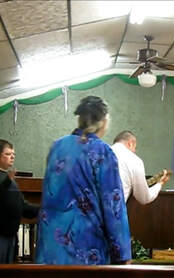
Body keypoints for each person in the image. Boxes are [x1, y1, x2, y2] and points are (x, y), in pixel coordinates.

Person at [36, 96, 131, 265]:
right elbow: (113, 205)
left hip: (50, 244)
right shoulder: (102, 151)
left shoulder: (57, 147)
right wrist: (123, 254)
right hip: (84, 244)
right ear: (103, 121)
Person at [0, 139, 39, 263]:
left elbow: (21, 205)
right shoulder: (7, 179)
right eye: (7, 154)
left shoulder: (9, 179)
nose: (12, 157)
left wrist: (42, 209)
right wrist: (6, 182)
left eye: (13, 154)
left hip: (10, 236)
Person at [112, 130, 170, 204]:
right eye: (135, 148)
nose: (134, 151)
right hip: (114, 212)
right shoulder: (134, 160)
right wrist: (160, 183)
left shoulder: (100, 154)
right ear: (130, 143)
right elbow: (144, 198)